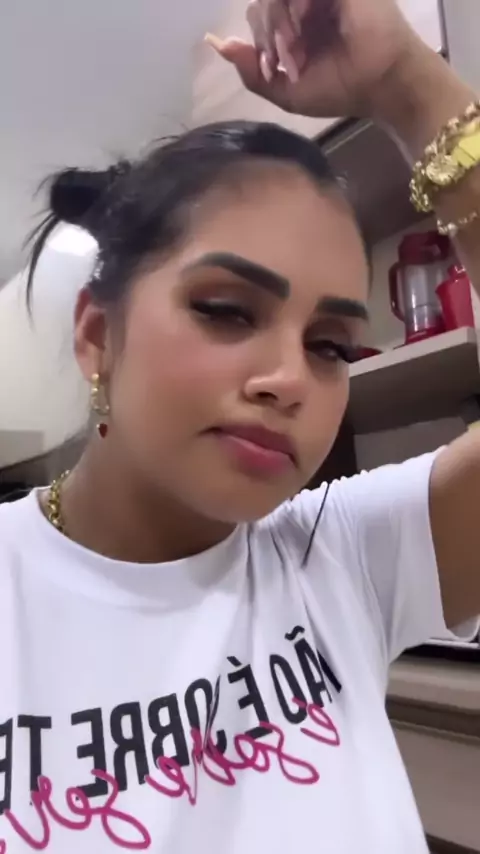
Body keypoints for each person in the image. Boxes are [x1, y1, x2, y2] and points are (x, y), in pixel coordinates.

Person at [1, 0, 479, 851]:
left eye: (331, 345)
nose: (289, 380)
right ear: (98, 336)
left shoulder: (340, 558)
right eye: (226, 310)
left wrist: (407, 84)